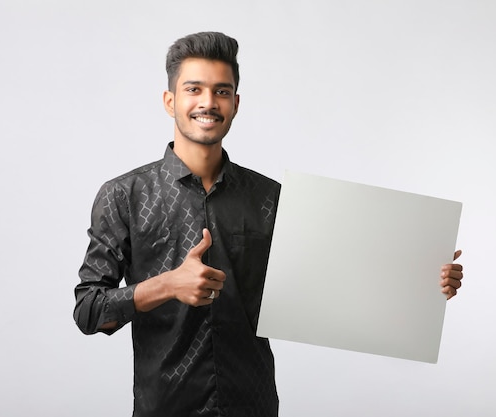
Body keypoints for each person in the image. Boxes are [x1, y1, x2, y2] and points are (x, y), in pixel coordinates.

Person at [74, 31, 464, 417]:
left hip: (253, 404)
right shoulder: (123, 195)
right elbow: (89, 310)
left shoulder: (270, 197)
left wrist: (421, 286)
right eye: (194, 89)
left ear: (236, 103)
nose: (208, 102)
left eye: (221, 91)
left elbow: (328, 284)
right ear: (169, 100)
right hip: (165, 407)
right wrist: (167, 284)